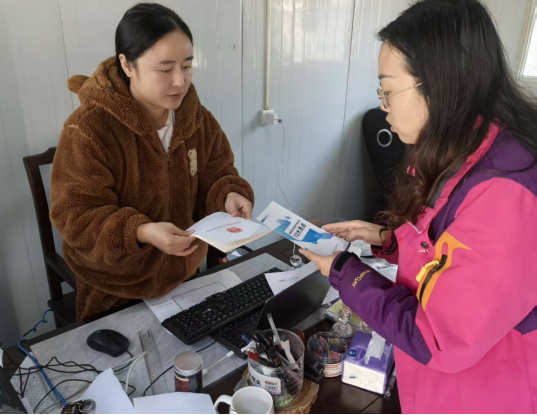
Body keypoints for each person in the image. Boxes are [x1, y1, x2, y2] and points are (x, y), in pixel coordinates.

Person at [301, 0, 537, 413]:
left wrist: (344, 271)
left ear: (438, 83)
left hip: (480, 395)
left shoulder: (505, 192)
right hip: (441, 386)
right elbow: (445, 250)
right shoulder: (462, 151)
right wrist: (384, 238)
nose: (383, 106)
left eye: (388, 90)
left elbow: (437, 338)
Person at [50, 3, 254, 320]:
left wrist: (228, 194)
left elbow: (218, 172)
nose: (180, 81)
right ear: (127, 65)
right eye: (165, 69)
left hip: (185, 277)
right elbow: (76, 216)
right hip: (116, 291)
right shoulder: (89, 129)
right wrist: (142, 232)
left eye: (187, 66)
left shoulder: (196, 120)